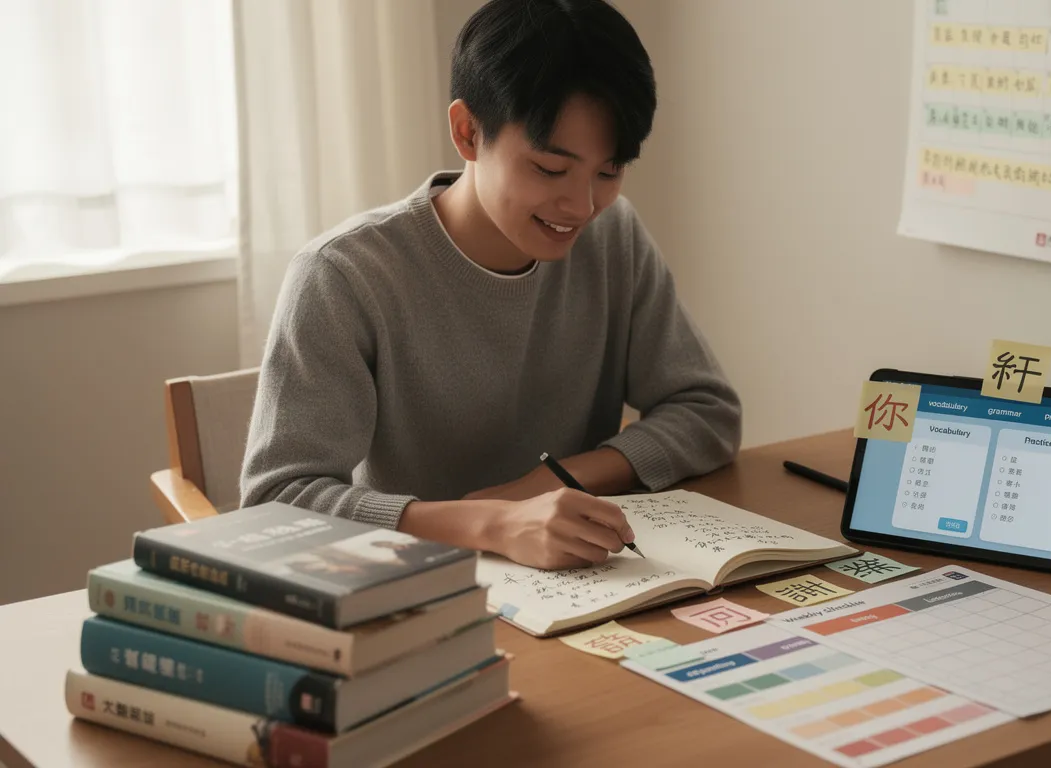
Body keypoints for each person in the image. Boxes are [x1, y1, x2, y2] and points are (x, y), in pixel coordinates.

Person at [240, 0, 741, 571]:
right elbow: (275, 504)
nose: (581, 207)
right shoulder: (343, 276)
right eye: (551, 169)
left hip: (580, 584)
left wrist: (544, 484)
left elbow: (707, 411)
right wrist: (489, 522)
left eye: (609, 171)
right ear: (467, 131)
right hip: (413, 595)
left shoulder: (613, 238)